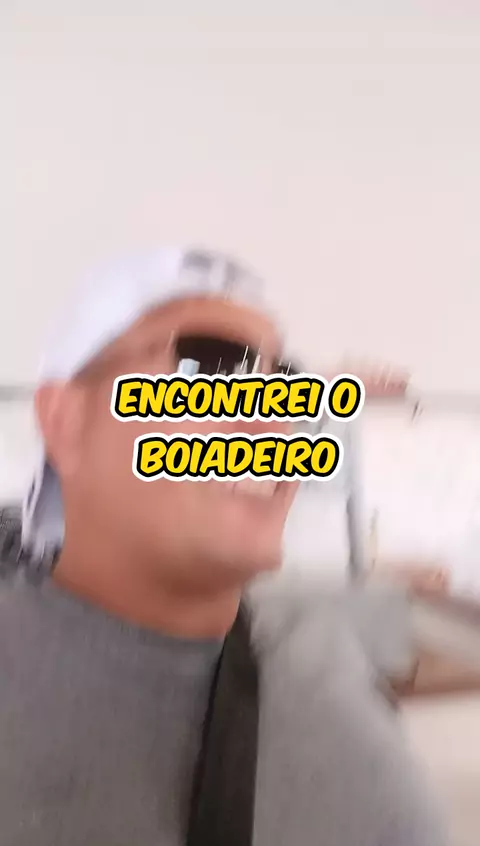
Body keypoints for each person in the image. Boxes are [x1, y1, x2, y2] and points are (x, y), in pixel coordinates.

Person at [0, 247, 445, 846]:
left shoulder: (324, 656)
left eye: (285, 383)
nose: (269, 420)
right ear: (66, 420)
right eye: (210, 367)